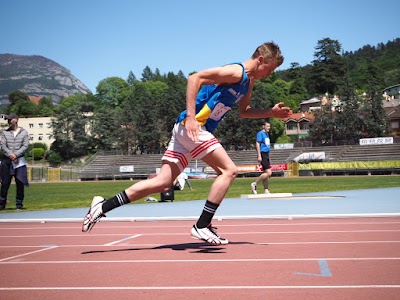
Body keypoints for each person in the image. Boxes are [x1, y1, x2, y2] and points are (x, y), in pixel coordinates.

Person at [82, 41, 293, 244]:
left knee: (163, 182)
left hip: (185, 130)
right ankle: (202, 225)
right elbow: (195, 78)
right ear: (261, 59)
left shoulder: (248, 83)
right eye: (270, 69)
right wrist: (192, 117)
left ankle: (102, 206)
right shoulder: (236, 72)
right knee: (229, 171)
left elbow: (244, 112)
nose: (270, 74)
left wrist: (270, 113)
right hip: (193, 127)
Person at [0, 114, 29, 210]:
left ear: (16, 120)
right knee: (5, 183)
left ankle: (19, 204)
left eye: (10, 119)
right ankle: (2, 203)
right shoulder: (5, 133)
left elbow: (25, 146)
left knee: (20, 183)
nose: (8, 121)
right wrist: (10, 155)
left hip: (19, 161)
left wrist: (16, 154)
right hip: (7, 161)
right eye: (7, 120)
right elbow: (3, 146)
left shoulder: (23, 132)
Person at [251, 121, 272, 194]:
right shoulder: (260, 133)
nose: (269, 128)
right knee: (269, 173)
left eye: (269, 126)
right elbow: (257, 143)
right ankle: (255, 184)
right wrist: (259, 155)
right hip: (262, 153)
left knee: (265, 172)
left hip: (266, 153)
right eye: (267, 126)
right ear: (263, 126)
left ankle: (266, 189)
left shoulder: (267, 134)